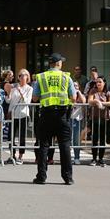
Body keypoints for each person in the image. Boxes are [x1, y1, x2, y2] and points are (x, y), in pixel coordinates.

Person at [31, 53, 75, 185]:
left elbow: (34, 98)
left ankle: (41, 176)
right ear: (59, 63)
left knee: (44, 145)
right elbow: (73, 97)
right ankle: (68, 177)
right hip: (62, 115)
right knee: (65, 146)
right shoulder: (66, 77)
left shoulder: (42, 77)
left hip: (46, 114)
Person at [87, 76, 110, 166]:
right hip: (94, 118)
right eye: (97, 82)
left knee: (103, 139)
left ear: (104, 83)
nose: (98, 83)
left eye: (100, 82)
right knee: (94, 139)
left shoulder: (108, 93)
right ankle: (94, 158)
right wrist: (96, 101)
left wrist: (101, 103)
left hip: (104, 119)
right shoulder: (92, 91)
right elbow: (89, 101)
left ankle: (101, 159)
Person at [7, 69, 32, 164]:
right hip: (13, 114)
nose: (21, 77)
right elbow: (10, 101)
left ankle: (21, 156)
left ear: (27, 77)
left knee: (22, 136)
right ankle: (12, 155)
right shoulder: (14, 87)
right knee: (10, 136)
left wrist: (21, 92)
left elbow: (27, 102)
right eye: (20, 75)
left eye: (24, 75)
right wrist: (8, 94)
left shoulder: (29, 88)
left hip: (23, 114)